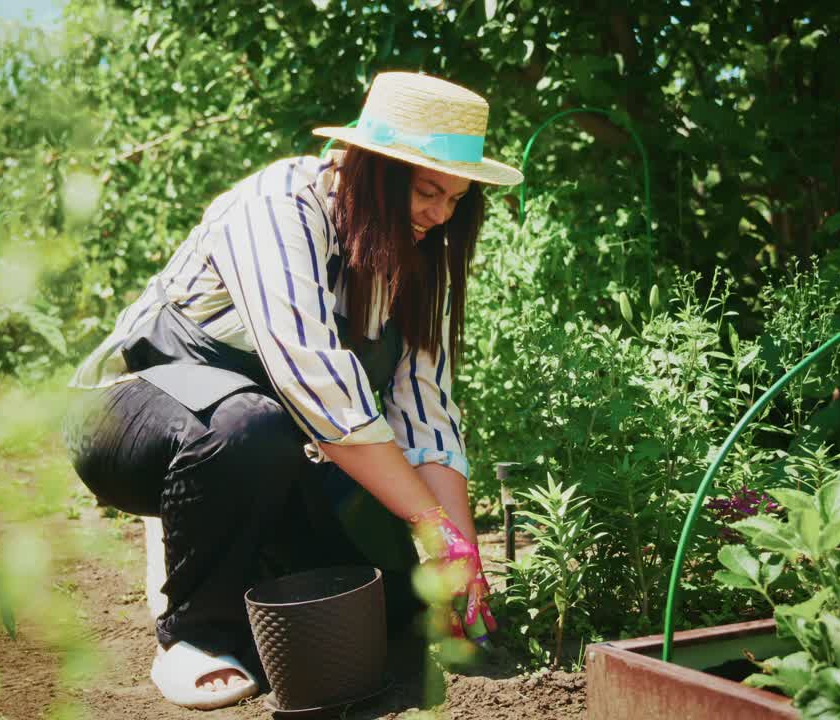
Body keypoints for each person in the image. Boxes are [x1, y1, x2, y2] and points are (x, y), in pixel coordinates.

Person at [61, 71, 523, 710]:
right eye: (426, 191)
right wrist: (429, 522)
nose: (440, 214)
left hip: (278, 439)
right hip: (131, 423)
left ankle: (247, 560)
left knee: (391, 601)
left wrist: (459, 559)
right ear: (370, 167)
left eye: (456, 198)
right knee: (247, 427)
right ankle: (194, 634)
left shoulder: (416, 259)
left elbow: (426, 414)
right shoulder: (279, 205)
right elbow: (311, 381)